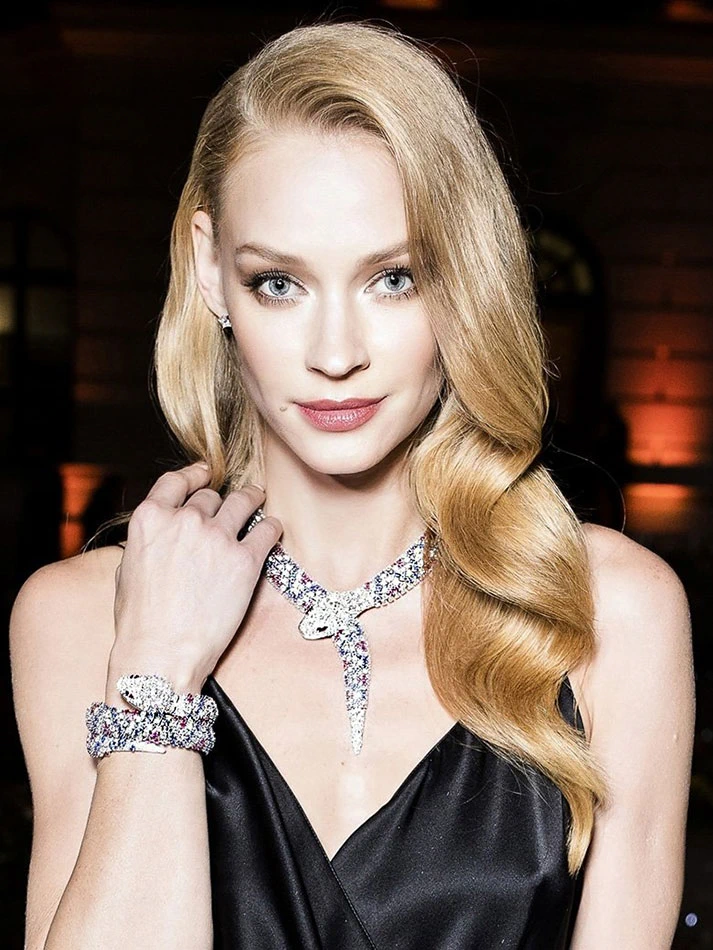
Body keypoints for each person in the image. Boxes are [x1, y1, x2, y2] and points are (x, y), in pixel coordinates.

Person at [9, 19, 695, 950]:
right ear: (210, 269)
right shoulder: (78, 617)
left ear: (463, 276)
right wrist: (158, 670)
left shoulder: (613, 612)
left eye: (394, 278)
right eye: (278, 283)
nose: (335, 354)